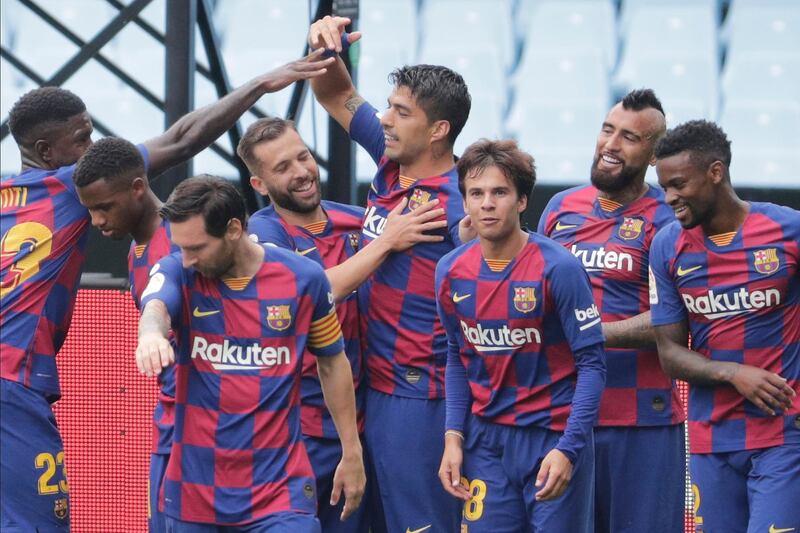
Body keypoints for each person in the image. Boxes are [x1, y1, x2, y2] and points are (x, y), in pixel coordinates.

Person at [0, 49, 335, 532]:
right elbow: (182, 137)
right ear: (48, 152)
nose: (96, 146)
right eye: (83, 139)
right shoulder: (76, 187)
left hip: (232, 447)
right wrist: (260, 84)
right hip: (20, 383)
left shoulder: (16, 199)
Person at [238, 116, 447, 532]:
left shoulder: (356, 220)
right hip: (300, 434)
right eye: (282, 168)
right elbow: (313, 292)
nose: (301, 172)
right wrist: (387, 241)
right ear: (259, 185)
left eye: (303, 156)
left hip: (372, 421)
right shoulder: (261, 237)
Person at [307, 15, 470, 532]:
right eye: (389, 107)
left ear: (438, 130)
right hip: (370, 391)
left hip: (422, 397)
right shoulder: (391, 156)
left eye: (400, 111)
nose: (385, 118)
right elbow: (334, 94)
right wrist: (325, 44)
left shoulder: (465, 200)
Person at [135, 176, 365, 532]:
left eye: (196, 247)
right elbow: (156, 306)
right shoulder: (179, 271)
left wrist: (351, 452)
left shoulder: (304, 279)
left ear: (233, 229)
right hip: (195, 492)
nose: (187, 258)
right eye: (180, 248)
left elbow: (333, 362)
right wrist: (150, 335)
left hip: (280, 491)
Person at [436, 139, 606, 532]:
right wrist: (452, 438)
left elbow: (593, 365)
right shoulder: (450, 272)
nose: (487, 203)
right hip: (486, 444)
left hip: (552, 439)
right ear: (464, 203)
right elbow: (456, 357)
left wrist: (570, 449)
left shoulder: (558, 267)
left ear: (522, 201)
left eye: (499, 192)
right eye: (476, 193)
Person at [537, 89, 686, 532]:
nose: (611, 145)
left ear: (655, 154)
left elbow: (678, 320)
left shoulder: (670, 219)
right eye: (607, 130)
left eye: (629, 138)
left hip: (640, 419)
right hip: (562, 420)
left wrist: (592, 333)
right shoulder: (561, 208)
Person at [650, 120, 799, 532]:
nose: (670, 198)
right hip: (710, 439)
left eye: (679, 184)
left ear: (716, 173)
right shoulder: (667, 246)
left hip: (782, 434)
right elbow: (670, 352)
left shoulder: (788, 231)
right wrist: (734, 374)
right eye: (663, 187)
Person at [72, 136, 180, 533]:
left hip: (208, 430)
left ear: (138, 188)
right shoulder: (135, 250)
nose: (97, 220)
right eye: (90, 210)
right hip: (170, 424)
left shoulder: (184, 244)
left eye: (104, 207)